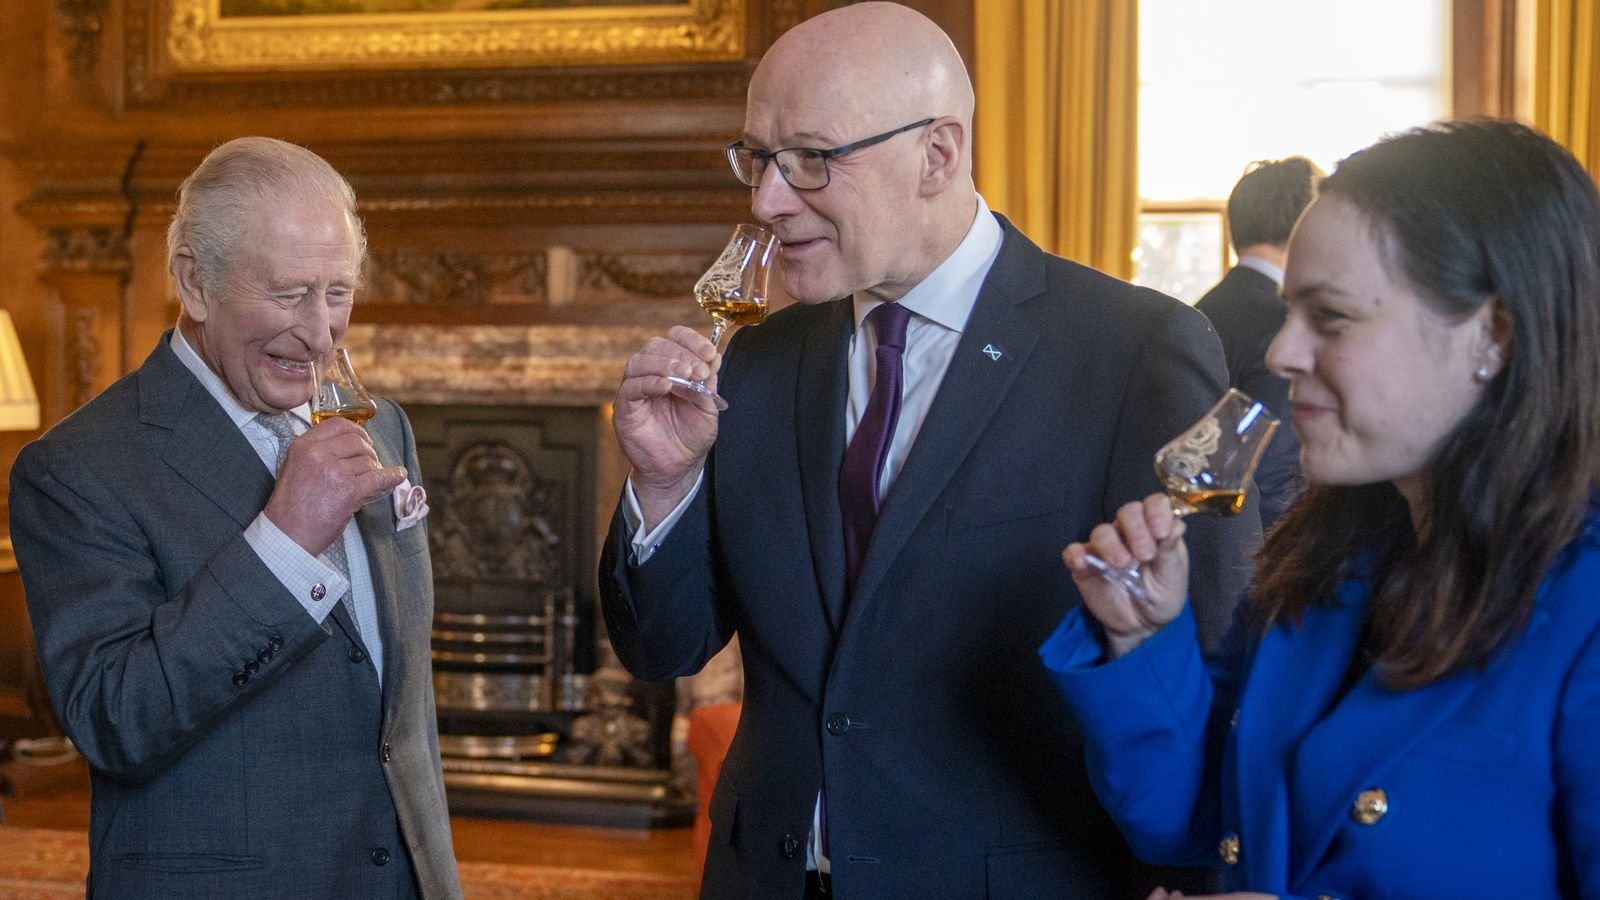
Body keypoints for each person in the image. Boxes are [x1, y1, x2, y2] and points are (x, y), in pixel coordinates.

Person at [598, 3, 1259, 897]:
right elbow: (662, 650)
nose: (766, 201)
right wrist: (665, 486)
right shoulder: (755, 361)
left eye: (812, 159)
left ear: (938, 154)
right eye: (757, 159)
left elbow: (1214, 666)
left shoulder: (1134, 351)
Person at [1043, 118, 1600, 900]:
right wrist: (1141, 640)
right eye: (1289, 313)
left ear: (1494, 334)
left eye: (1330, 318)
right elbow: (1192, 824)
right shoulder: (1329, 556)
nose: (1280, 353)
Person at [9, 137, 463, 899]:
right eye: (288, 295)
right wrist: (285, 540)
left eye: (338, 293)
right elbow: (114, 720)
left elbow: (393, 706)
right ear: (195, 282)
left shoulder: (384, 428)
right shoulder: (76, 470)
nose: (321, 333)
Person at [1195, 157, 1322, 531]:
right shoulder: (1280, 323)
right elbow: (1274, 475)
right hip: (1259, 550)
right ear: (1305, 224)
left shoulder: (1202, 309)